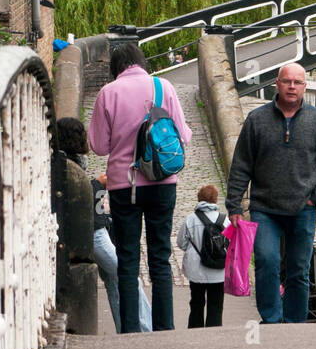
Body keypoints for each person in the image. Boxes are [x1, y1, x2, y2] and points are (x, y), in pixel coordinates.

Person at [226, 63, 316, 324]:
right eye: (287, 81)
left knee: (298, 270)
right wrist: (234, 206)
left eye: (297, 82)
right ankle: (271, 319)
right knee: (266, 262)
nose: (292, 86)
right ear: (276, 84)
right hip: (264, 207)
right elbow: (241, 164)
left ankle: (294, 323)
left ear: (304, 87)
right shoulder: (257, 119)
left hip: (303, 208)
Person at [88, 42, 191, 332]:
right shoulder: (164, 87)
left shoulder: (108, 93)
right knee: (160, 256)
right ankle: (164, 327)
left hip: (123, 186)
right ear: (142, 62)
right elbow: (183, 136)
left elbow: (98, 145)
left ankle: (131, 329)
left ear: (115, 68)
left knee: (128, 258)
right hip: (162, 183)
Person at [55, 117, 152, 334]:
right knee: (127, 276)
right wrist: (98, 184)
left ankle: (126, 330)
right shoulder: (68, 165)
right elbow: (81, 197)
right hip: (94, 233)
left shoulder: (66, 162)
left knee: (113, 281)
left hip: (95, 230)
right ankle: (147, 329)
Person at [177, 183, 228, 328]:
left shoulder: (191, 219)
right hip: (218, 270)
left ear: (199, 199)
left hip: (196, 271)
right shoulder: (224, 220)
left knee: (196, 303)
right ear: (216, 199)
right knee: (216, 305)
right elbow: (230, 243)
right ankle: (214, 332)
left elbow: (181, 242)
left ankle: (195, 330)